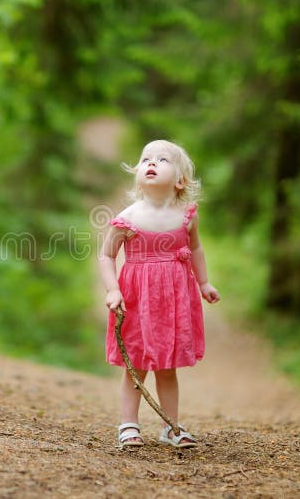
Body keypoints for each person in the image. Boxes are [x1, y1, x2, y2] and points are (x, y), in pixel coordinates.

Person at [98, 139, 220, 449]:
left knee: (167, 365)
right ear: (138, 171)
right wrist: (113, 290)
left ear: (180, 180)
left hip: (173, 300)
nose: (151, 162)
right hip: (138, 299)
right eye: (146, 158)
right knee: (135, 364)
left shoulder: (186, 216)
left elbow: (195, 248)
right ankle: (129, 425)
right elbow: (106, 256)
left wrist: (204, 283)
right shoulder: (129, 218)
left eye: (162, 160)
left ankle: (171, 426)